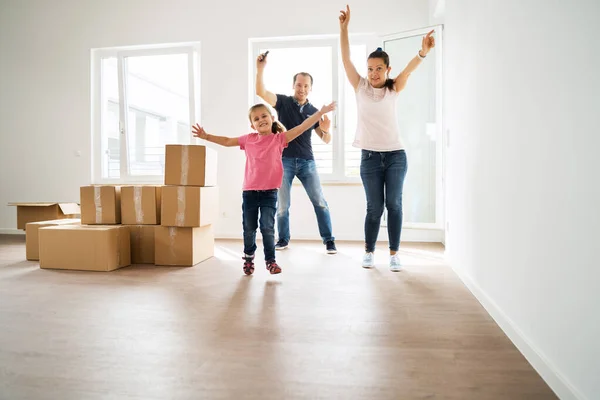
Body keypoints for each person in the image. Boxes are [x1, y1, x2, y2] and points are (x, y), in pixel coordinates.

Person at [338, 5, 435, 271]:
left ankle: (394, 254)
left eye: (378, 69)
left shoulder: (394, 88)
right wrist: (344, 29)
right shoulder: (360, 87)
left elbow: (409, 70)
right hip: (369, 157)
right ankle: (369, 251)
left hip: (395, 156)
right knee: (374, 208)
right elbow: (346, 60)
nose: (373, 73)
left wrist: (423, 52)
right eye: (370, 69)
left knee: (394, 204)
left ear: (387, 69)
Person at [192, 101, 336, 275]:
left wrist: (320, 112)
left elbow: (302, 127)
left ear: (272, 118)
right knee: (249, 228)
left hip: (270, 193)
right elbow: (227, 140)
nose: (261, 120)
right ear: (252, 124)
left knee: (267, 228)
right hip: (250, 193)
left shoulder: (279, 139)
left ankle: (270, 261)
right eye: (256, 118)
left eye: (264, 116)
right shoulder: (248, 139)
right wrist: (206, 136)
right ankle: (248, 258)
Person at [255, 52, 337, 254]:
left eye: (306, 86)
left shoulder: (315, 111)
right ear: (294, 86)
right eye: (299, 85)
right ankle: (282, 239)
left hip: (307, 162)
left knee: (320, 201)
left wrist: (326, 129)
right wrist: (260, 68)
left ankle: (329, 241)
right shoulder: (282, 102)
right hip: (284, 161)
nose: (302, 88)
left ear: (310, 88)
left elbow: (325, 139)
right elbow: (261, 92)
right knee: (283, 205)